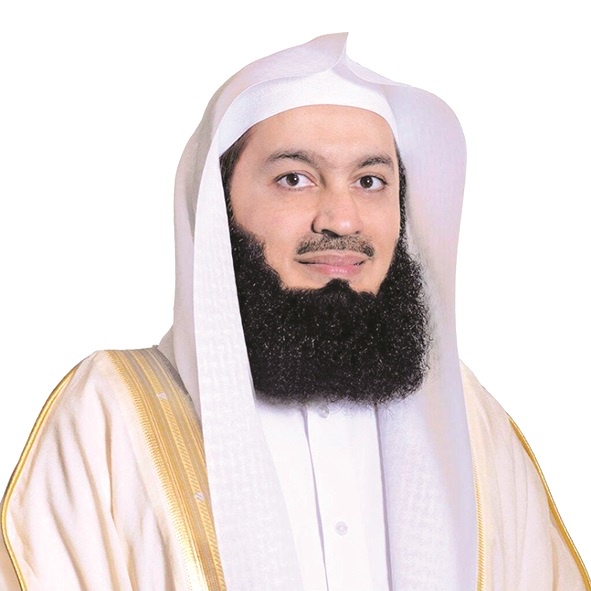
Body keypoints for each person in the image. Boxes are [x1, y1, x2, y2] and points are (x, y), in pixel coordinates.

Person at [1, 33, 589, 591]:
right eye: (294, 178)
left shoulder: (469, 423)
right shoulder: (109, 412)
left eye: (370, 181)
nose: (342, 218)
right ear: (219, 210)